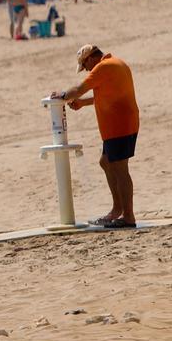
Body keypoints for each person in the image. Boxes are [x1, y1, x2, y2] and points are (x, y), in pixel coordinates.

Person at [56, 44, 139, 228]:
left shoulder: (102, 67)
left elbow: (78, 89)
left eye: (85, 66)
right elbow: (106, 95)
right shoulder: (116, 63)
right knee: (106, 162)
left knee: (120, 168)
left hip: (119, 124)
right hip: (120, 124)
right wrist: (82, 104)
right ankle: (117, 210)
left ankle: (128, 216)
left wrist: (61, 96)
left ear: (91, 58)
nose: (87, 70)